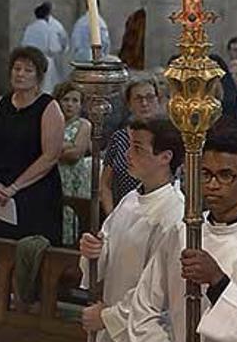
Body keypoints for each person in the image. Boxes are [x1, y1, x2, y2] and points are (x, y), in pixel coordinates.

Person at [127, 121, 237, 341]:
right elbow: (144, 308)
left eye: (225, 175)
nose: (212, 185)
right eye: (206, 174)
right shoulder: (181, 232)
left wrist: (217, 281)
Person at [77, 117, 184, 341]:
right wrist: (94, 250)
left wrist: (108, 317)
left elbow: (159, 288)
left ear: (165, 157)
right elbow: (105, 253)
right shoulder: (130, 200)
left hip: (145, 330)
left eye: (137, 148)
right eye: (129, 146)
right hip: (111, 314)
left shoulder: (174, 213)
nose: (127, 155)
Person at [0, 46, 64, 244]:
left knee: (32, 254)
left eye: (28, 70)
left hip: (35, 194)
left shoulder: (48, 107)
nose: (20, 74)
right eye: (16, 69)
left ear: (39, 76)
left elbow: (50, 156)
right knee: (3, 252)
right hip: (0, 192)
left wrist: (15, 187)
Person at [100, 76, 162, 214]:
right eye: (138, 99)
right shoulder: (118, 138)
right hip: (123, 214)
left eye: (150, 97)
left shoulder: (168, 138)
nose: (144, 103)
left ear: (158, 99)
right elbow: (105, 184)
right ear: (129, 104)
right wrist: (112, 216)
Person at [53, 82, 92, 247]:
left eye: (75, 100)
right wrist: (66, 146)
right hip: (54, 176)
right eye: (66, 99)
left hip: (74, 179)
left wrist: (55, 149)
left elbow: (76, 153)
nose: (70, 104)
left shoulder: (84, 125)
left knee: (73, 217)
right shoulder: (52, 123)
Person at [20, 1, 64, 94]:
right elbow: (54, 47)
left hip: (30, 59)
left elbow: (23, 44)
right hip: (45, 59)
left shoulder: (30, 27)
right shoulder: (49, 28)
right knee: (47, 87)